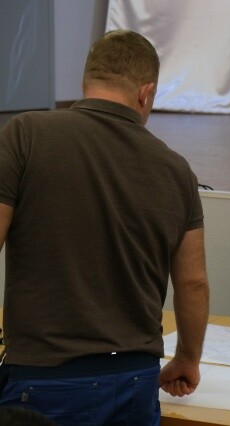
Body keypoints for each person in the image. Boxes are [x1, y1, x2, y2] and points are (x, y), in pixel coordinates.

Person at [0, 30, 210, 425]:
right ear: (146, 93)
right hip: (135, 378)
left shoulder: (26, 134)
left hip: (43, 376)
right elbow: (193, 282)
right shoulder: (176, 170)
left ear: (86, 83)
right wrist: (187, 358)